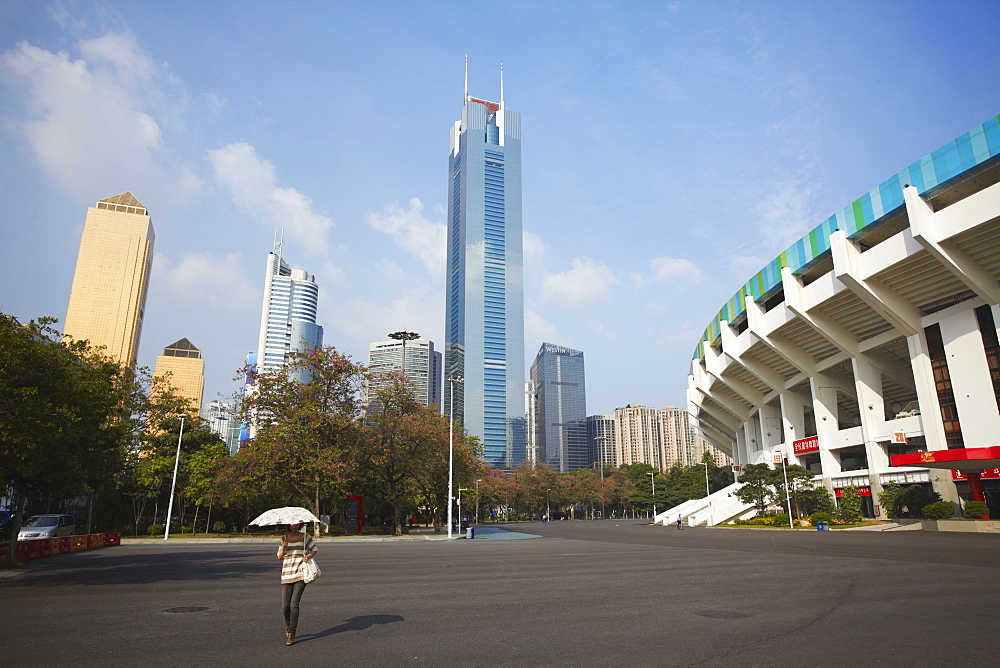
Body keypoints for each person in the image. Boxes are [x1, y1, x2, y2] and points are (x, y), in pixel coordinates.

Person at [277, 523, 317, 646]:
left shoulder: (305, 537)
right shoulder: (284, 539)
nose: (294, 526)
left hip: (300, 574)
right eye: (292, 524)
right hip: (286, 575)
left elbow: (314, 549)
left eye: (296, 524)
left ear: (299, 524)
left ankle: (291, 633)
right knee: (285, 606)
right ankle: (288, 624)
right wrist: (284, 547)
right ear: (288, 525)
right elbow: (279, 557)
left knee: (294, 604)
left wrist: (308, 556)